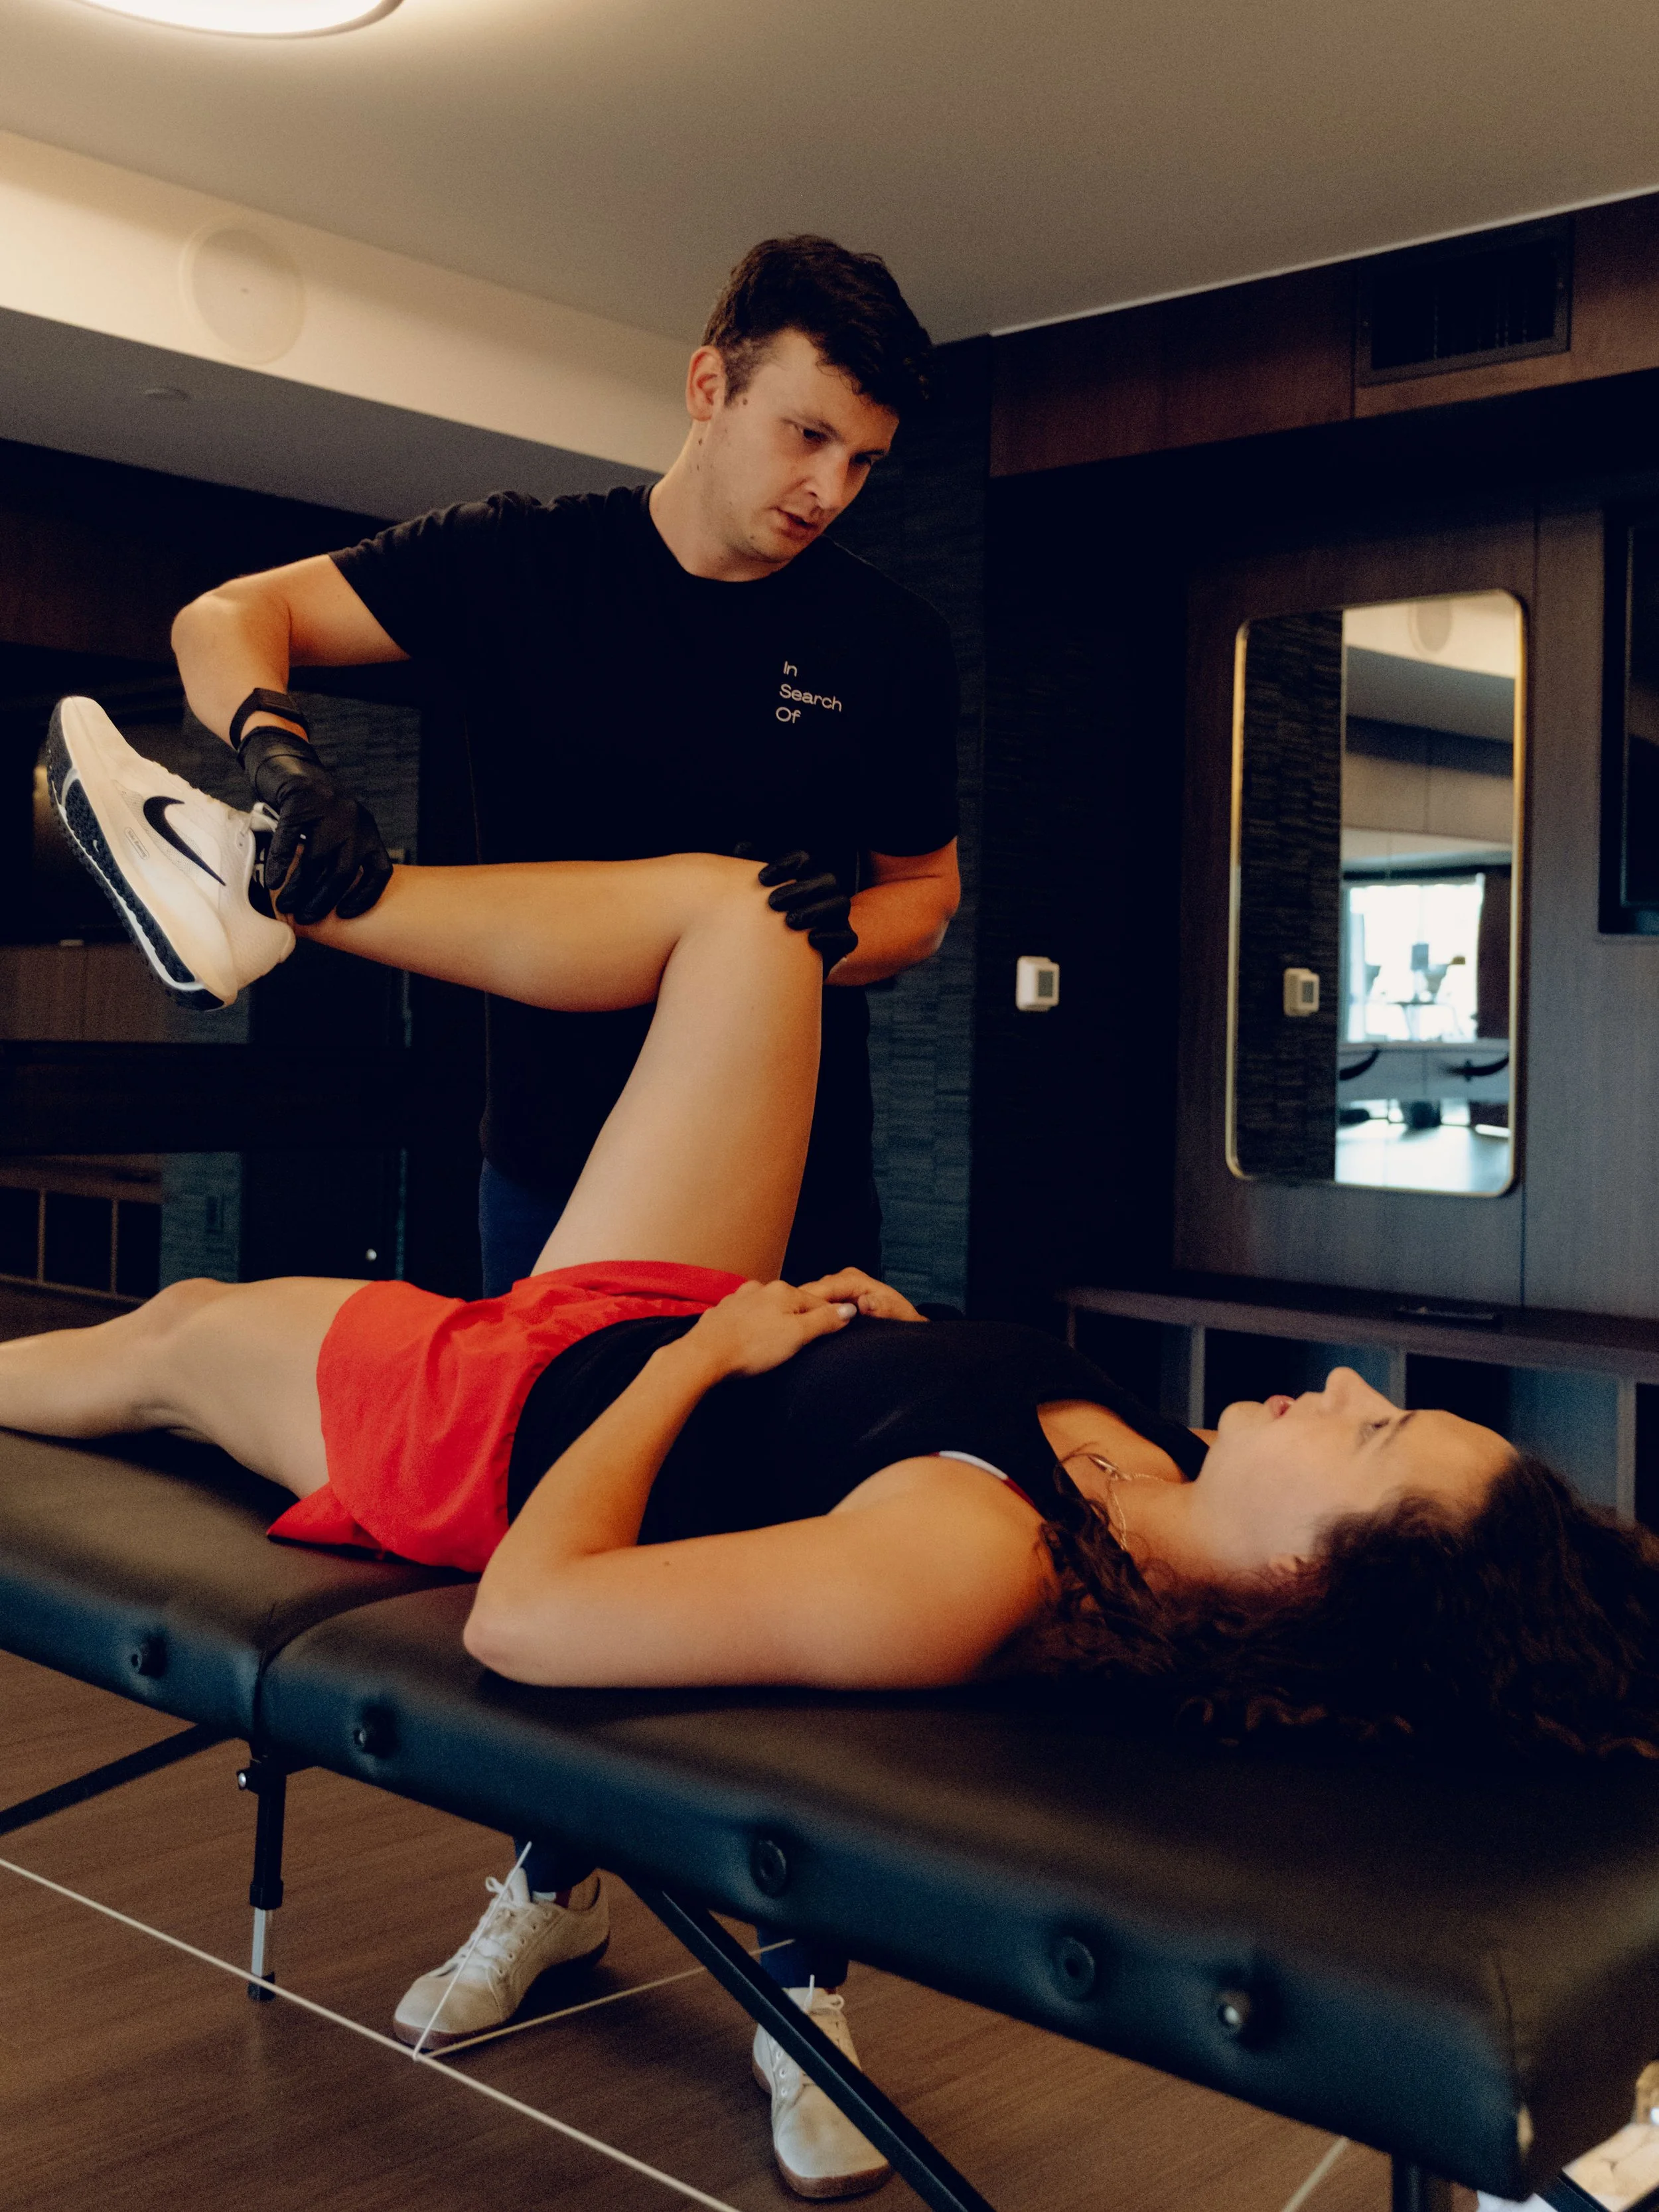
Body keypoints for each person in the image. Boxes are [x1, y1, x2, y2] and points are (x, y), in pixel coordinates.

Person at [23, 705, 1659, 2199]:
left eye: (1369, 1438)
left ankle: (254, 898)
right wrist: (865, 1332)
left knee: (170, 1339)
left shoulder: (975, 1562)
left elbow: (527, 1617)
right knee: (760, 922)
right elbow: (902, 1424)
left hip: (499, 1420)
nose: (1346, 1384)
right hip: (675, 1306)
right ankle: (270, 891)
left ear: (1314, 1575)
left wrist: (695, 1365)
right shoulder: (1166, 1492)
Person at [167, 232, 963, 2136]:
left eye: (859, 462)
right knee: (550, 1554)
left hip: (780, 1194)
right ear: (706, 383)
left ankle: (802, 1981)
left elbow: (927, 895)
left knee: (765, 1581)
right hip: (546, 1169)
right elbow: (226, 615)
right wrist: (278, 752)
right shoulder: (516, 559)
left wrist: (829, 931)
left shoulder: (878, 643)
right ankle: (552, 1878)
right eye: (800, 436)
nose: (823, 491)